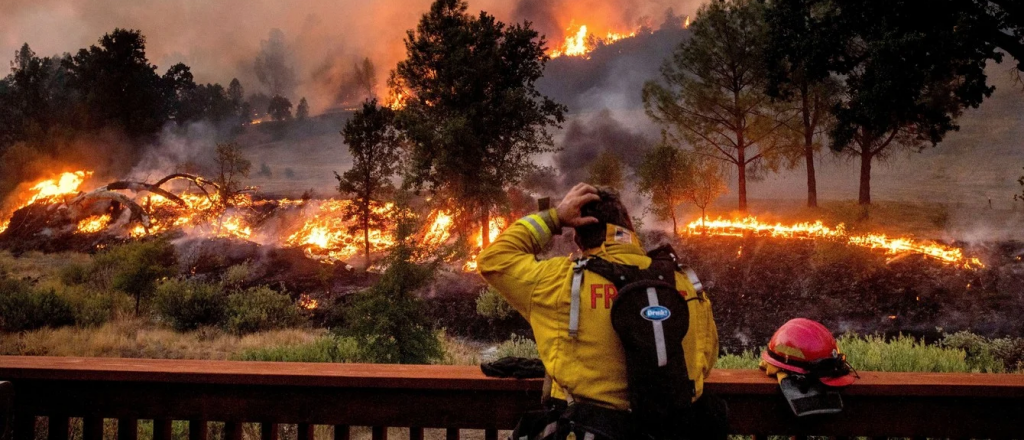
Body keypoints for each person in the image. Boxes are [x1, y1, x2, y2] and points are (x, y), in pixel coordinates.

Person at [478, 183, 725, 440]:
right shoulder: (683, 282)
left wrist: (555, 217)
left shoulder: (560, 281)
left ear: (577, 238)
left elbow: (494, 259)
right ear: (629, 225)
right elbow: (705, 359)